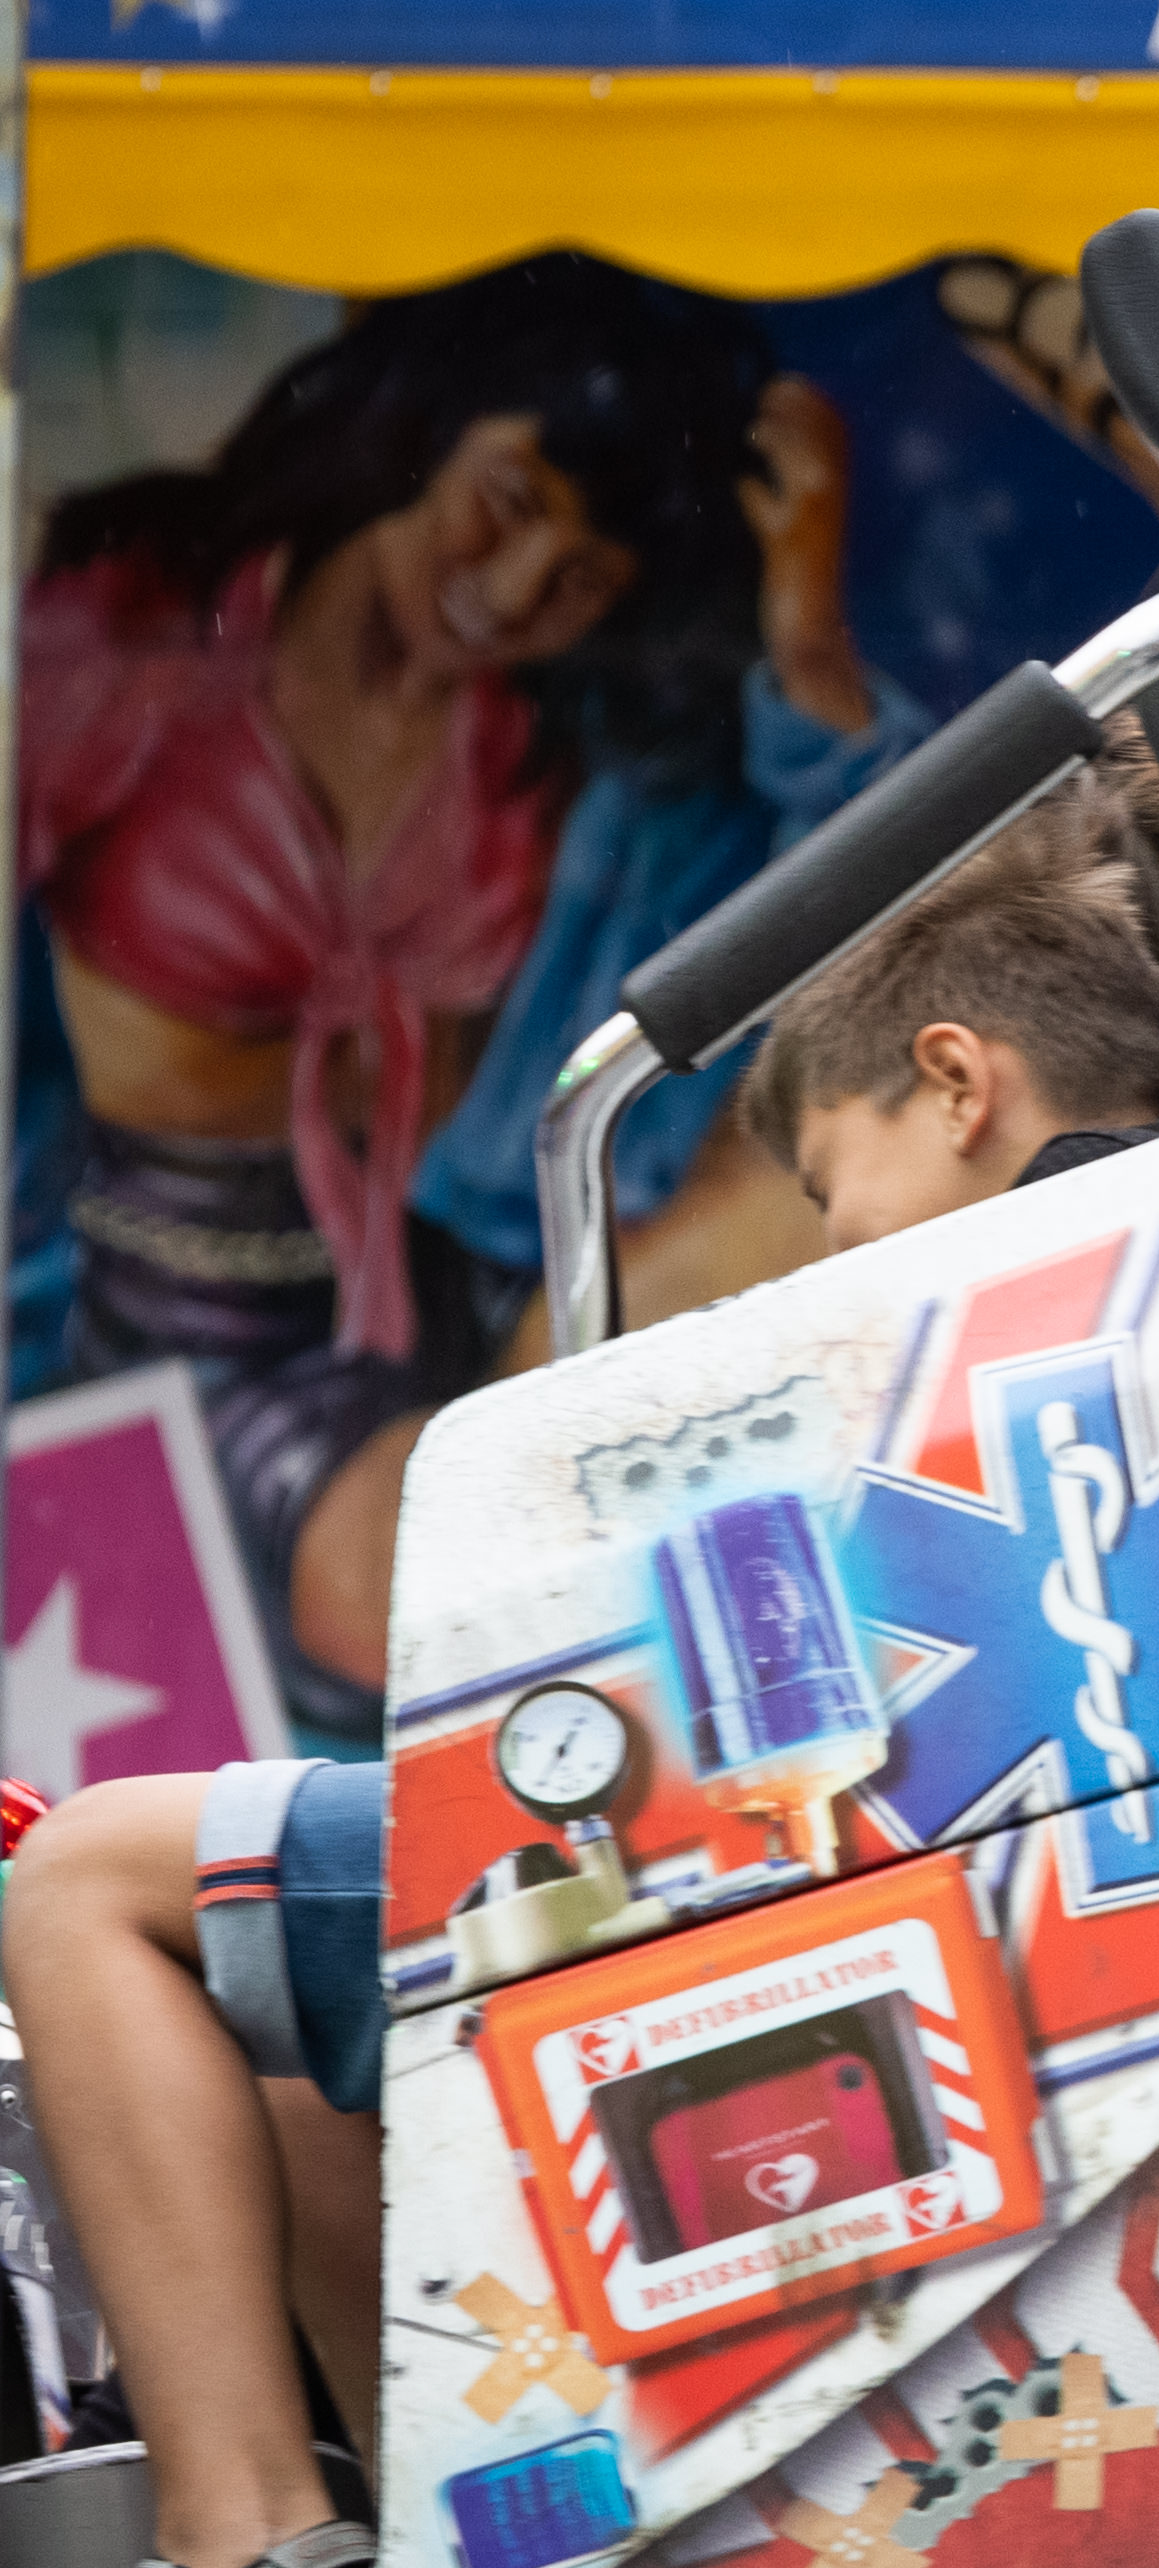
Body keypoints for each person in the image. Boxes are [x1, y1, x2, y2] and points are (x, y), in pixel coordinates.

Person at [1, 794, 1159, 2568]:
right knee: (281, 2026)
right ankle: (404, 2548)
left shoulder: (968, 1308)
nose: (829, 1239)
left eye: (829, 1183)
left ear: (956, 1082)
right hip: (948, 1892)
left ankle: (236, 2544)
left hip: (775, 1881)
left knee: (88, 1878)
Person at [17, 259, 924, 1734]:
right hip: (181, 1327)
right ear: (422, 430)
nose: (508, 592)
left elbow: (872, 911)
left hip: (481, 1284)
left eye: (578, 582)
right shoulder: (123, 645)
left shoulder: (584, 765)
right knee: (419, 1573)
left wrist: (805, 640)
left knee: (859, 1125)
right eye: (507, 503)